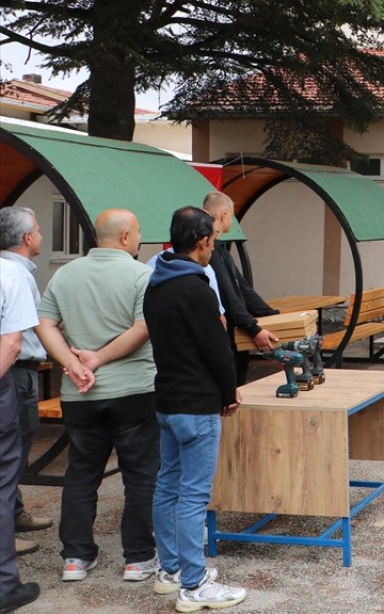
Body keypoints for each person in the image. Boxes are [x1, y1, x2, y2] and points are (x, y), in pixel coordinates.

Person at [34, 209, 160, 584]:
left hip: (79, 393)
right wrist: (100, 358)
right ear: (124, 237)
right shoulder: (142, 276)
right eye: (138, 232)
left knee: (81, 473)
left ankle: (75, 557)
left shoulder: (65, 274)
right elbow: (145, 327)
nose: (139, 239)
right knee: (140, 475)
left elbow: (44, 323)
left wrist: (72, 365)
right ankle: (138, 558)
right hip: (134, 389)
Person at [144, 207, 248, 610]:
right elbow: (217, 351)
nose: (212, 248)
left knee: (168, 485)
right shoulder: (196, 287)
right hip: (196, 403)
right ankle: (194, 583)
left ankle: (169, 569)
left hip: (167, 399)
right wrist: (229, 392)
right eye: (213, 241)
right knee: (192, 495)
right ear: (203, 240)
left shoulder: (157, 283)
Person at [0, 207, 54, 555]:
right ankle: (5, 535)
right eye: (38, 229)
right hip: (15, 372)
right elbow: (16, 339)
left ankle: (15, 514)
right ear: (27, 238)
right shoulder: (15, 272)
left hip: (19, 369)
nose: (41, 235)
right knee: (11, 456)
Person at [0, 227, 41, 612]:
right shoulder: (10, 273)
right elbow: (12, 342)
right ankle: (4, 585)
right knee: (4, 476)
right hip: (6, 380)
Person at [203, 193, 278, 385]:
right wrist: (253, 329)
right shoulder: (209, 251)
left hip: (233, 330)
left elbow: (241, 287)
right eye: (233, 216)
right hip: (221, 333)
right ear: (224, 215)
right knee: (231, 385)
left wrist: (270, 314)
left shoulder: (219, 248)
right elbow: (227, 295)